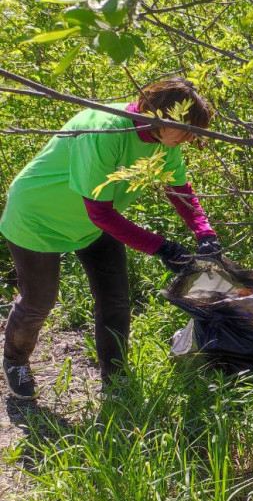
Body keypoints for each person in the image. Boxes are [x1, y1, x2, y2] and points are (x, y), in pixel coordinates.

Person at [1, 78, 220, 399]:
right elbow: (101, 213)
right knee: (38, 302)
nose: (190, 138)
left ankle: (114, 377)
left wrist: (205, 233)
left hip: (91, 225)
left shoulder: (164, 142)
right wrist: (163, 247)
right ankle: (15, 361)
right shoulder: (106, 130)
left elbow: (179, 189)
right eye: (186, 129)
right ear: (161, 117)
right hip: (38, 218)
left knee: (115, 299)